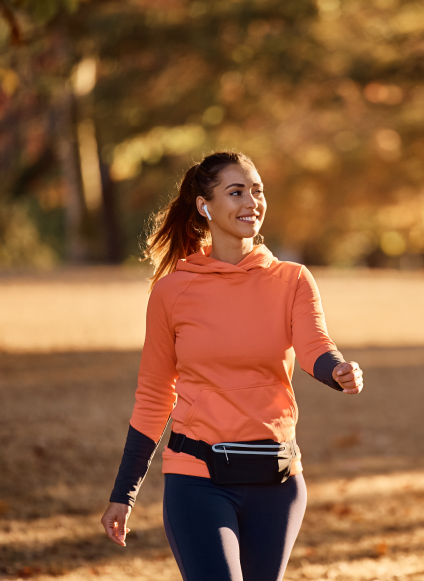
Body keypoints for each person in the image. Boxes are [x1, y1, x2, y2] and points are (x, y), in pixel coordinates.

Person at [100, 150, 364, 581]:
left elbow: (314, 344)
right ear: (205, 206)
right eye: (236, 192)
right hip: (198, 479)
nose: (251, 202)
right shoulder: (172, 292)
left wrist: (336, 370)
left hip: (277, 479)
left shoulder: (292, 279)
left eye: (257, 191)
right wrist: (124, 493)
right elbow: (153, 395)